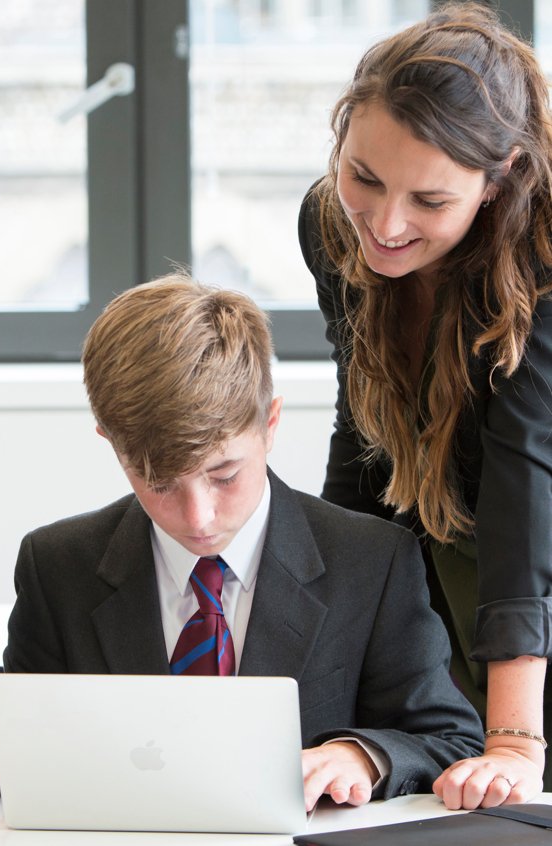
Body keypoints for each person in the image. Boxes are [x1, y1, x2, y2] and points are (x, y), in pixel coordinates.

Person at [0, 273, 483, 809]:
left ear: (270, 423)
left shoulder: (371, 561)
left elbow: (449, 740)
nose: (199, 518)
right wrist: (6, 746)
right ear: (110, 441)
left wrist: (362, 756)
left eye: (224, 475)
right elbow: (15, 718)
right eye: (161, 483)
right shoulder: (58, 564)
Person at [298, 0, 552, 811]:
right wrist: (313, 647)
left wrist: (514, 740)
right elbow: (361, 436)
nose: (387, 223)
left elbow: (526, 476)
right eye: (364, 176)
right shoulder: (330, 227)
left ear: (500, 174)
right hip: (449, 546)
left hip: (532, 561)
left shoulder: (543, 251)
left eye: (431, 202)